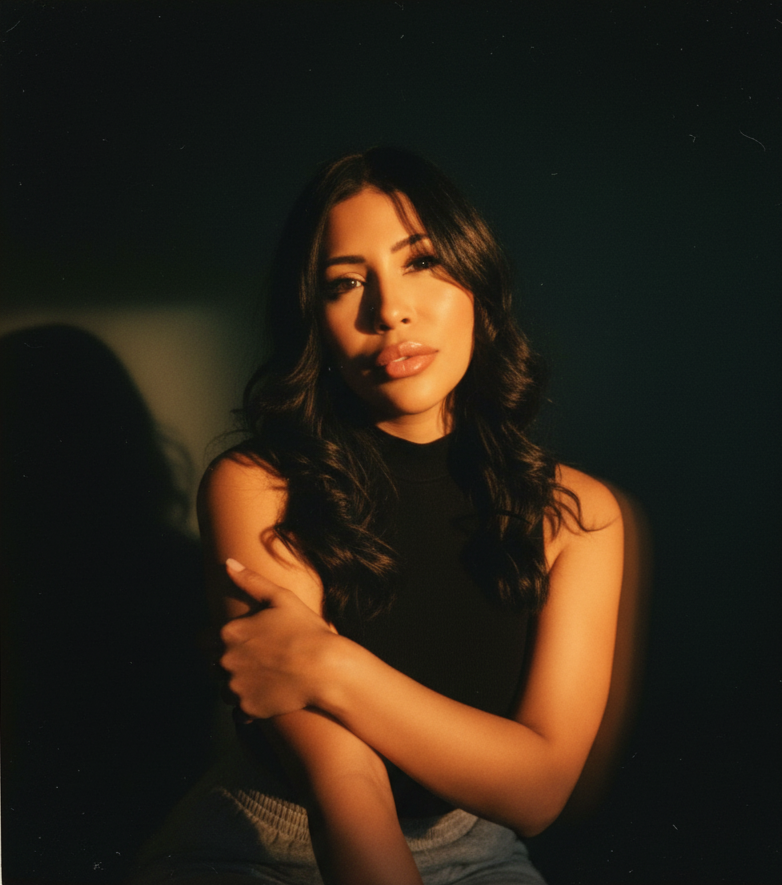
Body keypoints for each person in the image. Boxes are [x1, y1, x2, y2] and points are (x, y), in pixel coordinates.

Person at [134, 147, 623, 884]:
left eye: (421, 263)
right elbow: (343, 784)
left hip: (473, 850)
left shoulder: (578, 513)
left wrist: (331, 663)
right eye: (345, 282)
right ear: (316, 322)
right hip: (263, 843)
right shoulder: (257, 486)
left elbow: (538, 789)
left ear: (478, 286)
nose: (388, 309)